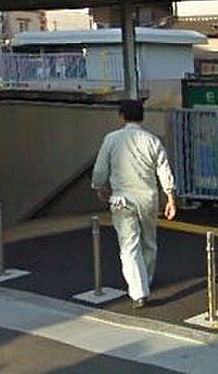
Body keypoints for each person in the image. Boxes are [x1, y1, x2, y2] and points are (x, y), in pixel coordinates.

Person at [92, 100, 177, 309]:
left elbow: (101, 168)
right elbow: (163, 170)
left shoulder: (111, 139)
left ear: (121, 116)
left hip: (121, 198)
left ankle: (139, 292)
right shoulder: (152, 140)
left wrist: (99, 186)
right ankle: (145, 280)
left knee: (129, 245)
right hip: (148, 197)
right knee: (149, 241)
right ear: (142, 117)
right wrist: (170, 197)